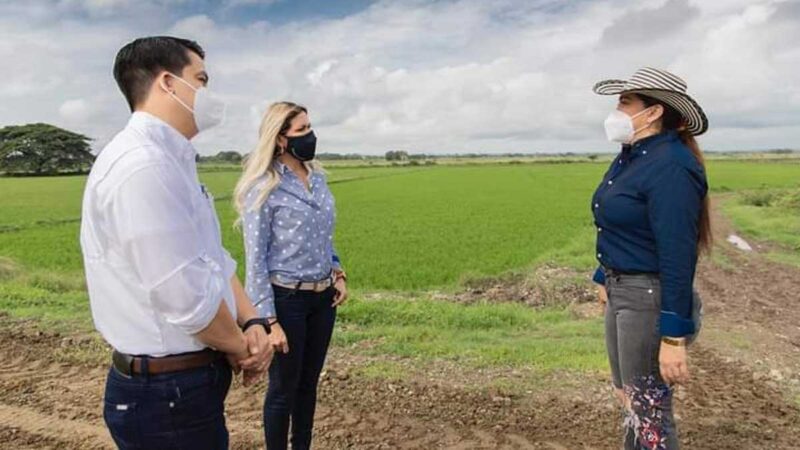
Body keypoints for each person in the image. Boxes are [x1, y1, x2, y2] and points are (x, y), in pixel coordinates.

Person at [79, 36, 273, 449]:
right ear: (168, 82)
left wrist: (252, 320)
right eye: (201, 79)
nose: (208, 93)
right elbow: (185, 297)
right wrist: (243, 348)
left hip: (182, 387)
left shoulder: (172, 158)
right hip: (166, 395)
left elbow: (212, 258)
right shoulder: (142, 166)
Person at [590, 67, 711, 449]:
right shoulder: (632, 156)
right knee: (630, 398)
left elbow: (678, 253)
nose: (617, 111)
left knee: (649, 410)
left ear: (654, 111)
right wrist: (603, 276)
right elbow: (623, 223)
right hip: (622, 289)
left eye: (625, 102)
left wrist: (673, 335)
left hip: (647, 299)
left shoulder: (671, 165)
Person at [234, 101, 348, 450]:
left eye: (310, 127)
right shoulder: (264, 187)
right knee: (284, 389)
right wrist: (268, 321)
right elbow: (255, 259)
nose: (310, 136)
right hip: (286, 300)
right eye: (301, 130)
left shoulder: (318, 177)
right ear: (280, 138)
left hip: (322, 297)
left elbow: (323, 234)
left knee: (308, 384)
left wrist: (337, 270)